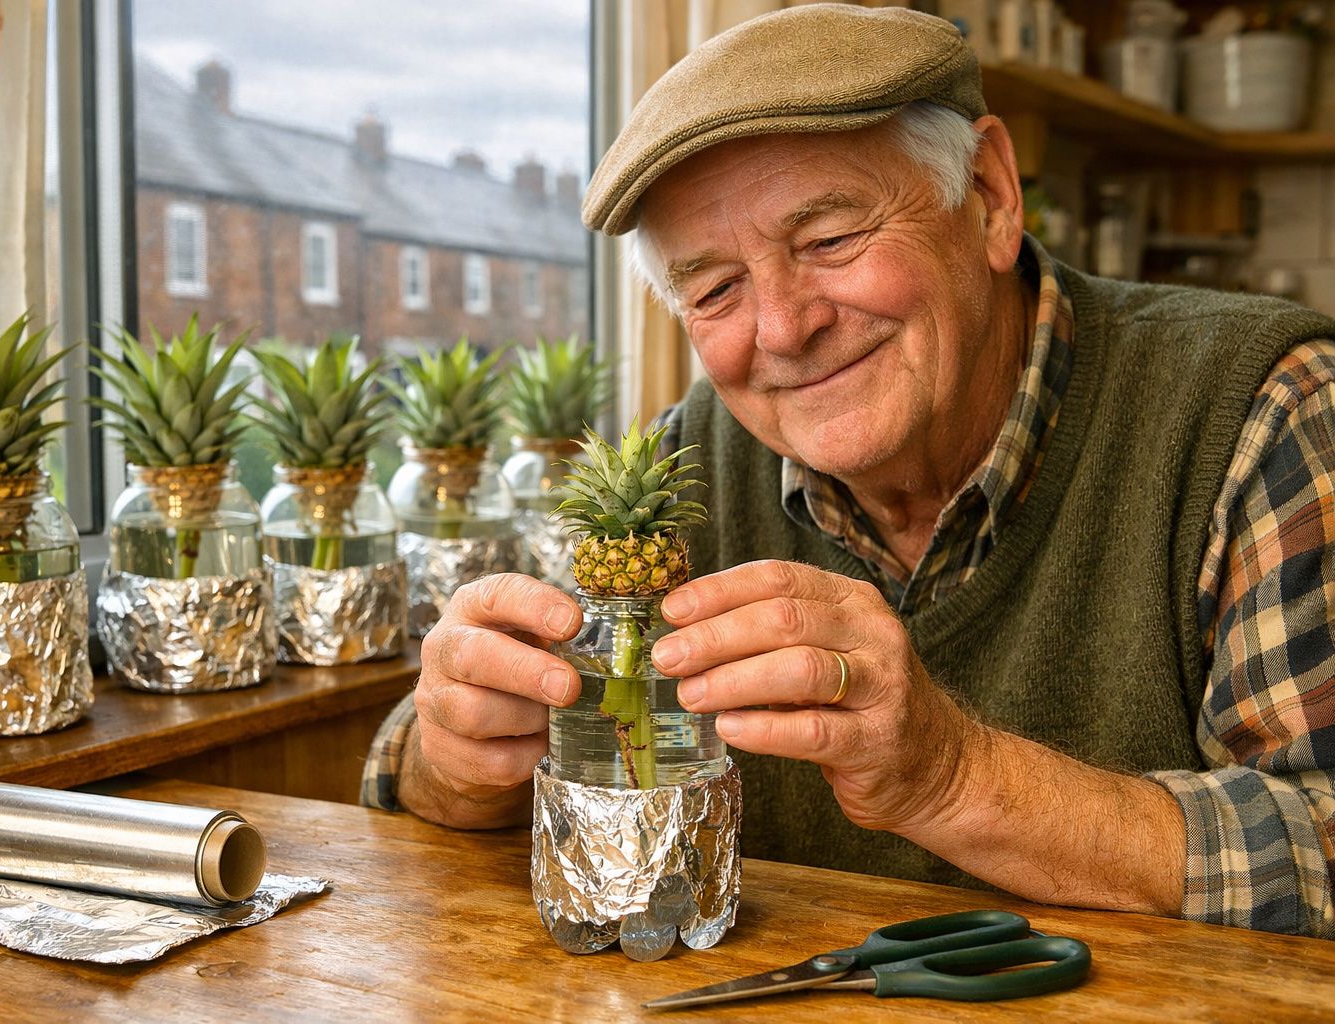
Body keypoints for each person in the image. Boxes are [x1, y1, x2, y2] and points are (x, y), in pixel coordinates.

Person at [361, 4, 1335, 938]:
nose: (784, 329)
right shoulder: (677, 468)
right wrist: (452, 761)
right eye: (715, 289)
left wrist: (951, 776)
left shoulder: (1267, 411)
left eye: (831, 239)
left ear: (992, 196)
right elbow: (430, 779)